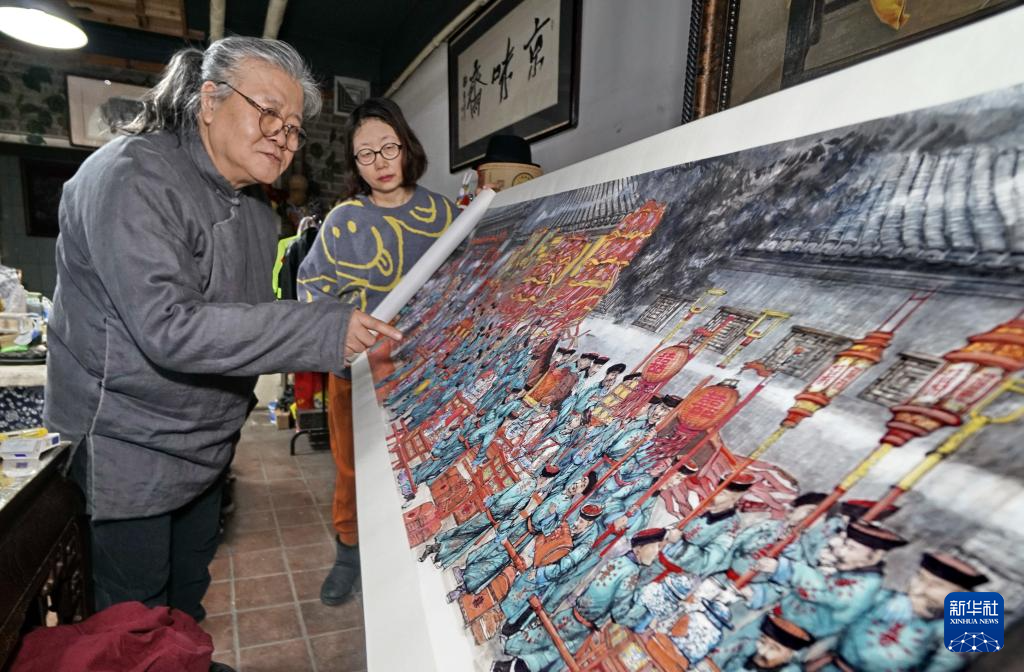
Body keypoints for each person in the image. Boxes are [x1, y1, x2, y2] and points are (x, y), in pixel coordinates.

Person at [44, 37, 400, 625]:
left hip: (206, 443)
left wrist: (341, 340)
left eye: (293, 128)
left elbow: (248, 326)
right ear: (209, 101)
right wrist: (324, 328)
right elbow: (170, 327)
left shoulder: (257, 213)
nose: (282, 136)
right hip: (129, 444)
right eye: (268, 112)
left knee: (188, 590)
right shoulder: (132, 176)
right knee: (134, 617)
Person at [296, 97, 456, 606]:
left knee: (425, 464)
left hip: (429, 371)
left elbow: (468, 279)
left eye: (389, 148)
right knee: (353, 467)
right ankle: (348, 552)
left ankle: (416, 561)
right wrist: (341, 330)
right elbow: (310, 287)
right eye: (366, 154)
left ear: (407, 146)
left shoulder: (444, 214)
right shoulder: (344, 219)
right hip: (358, 372)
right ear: (355, 163)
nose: (380, 163)